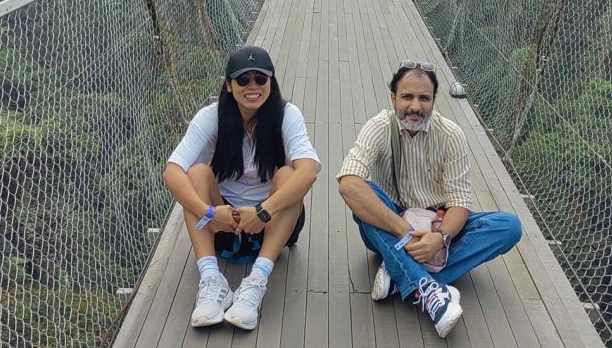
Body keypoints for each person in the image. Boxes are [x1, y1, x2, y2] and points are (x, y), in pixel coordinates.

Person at [337, 61, 522, 338]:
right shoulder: (379, 127)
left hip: (437, 222)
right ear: (393, 98)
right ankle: (427, 287)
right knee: (365, 196)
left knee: (509, 226)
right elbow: (348, 185)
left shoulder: (450, 135)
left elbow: (459, 203)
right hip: (393, 224)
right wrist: (407, 234)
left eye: (424, 98)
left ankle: (401, 274)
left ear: (434, 100)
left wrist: (441, 237)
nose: (415, 106)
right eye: (407, 97)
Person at [164, 45, 320, 330]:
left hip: (270, 224)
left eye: (260, 79)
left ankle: (256, 282)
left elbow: (309, 172)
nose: (252, 86)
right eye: (243, 79)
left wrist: (261, 212)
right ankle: (212, 279)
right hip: (222, 221)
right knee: (196, 173)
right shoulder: (211, 116)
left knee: (289, 176)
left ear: (271, 83)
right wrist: (209, 213)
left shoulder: (287, 115)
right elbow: (172, 172)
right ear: (228, 85)